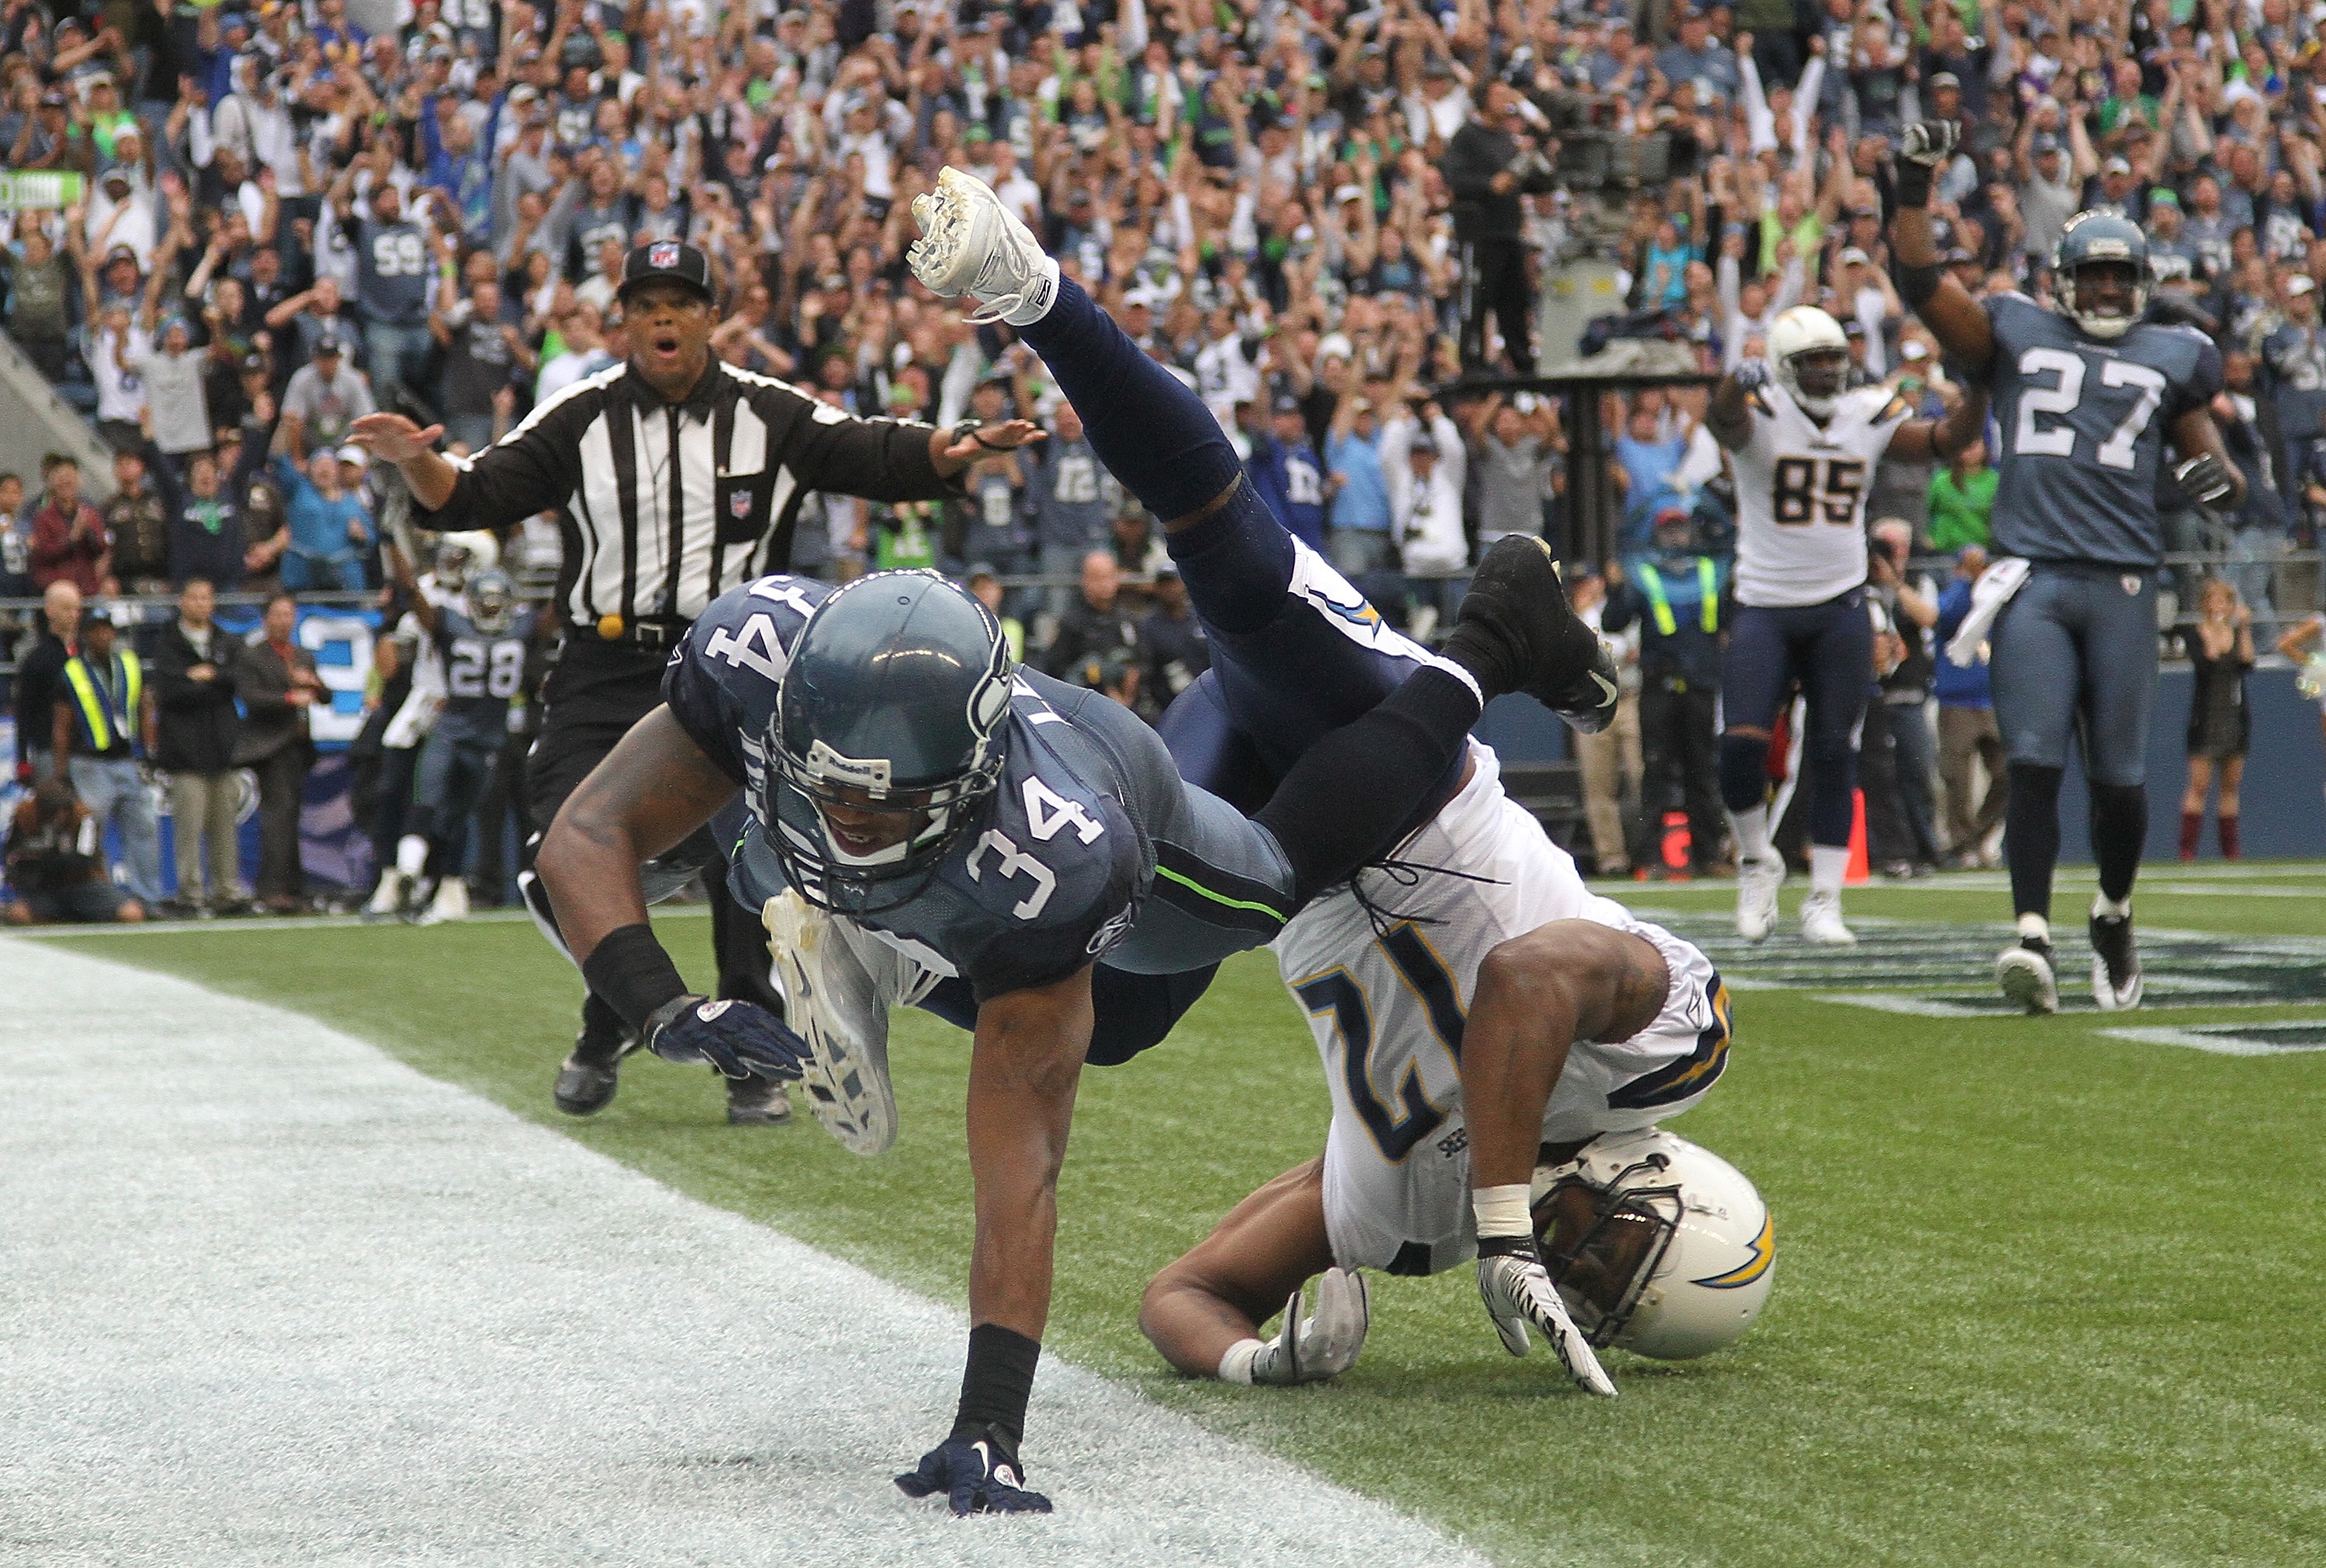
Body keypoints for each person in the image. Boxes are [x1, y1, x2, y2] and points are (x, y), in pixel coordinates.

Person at [533, 167, 1613, 1517]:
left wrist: (990, 1421)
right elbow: (580, 837)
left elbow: (1020, 1162)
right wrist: (661, 1006)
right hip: (972, 815)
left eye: (887, 799)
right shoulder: (760, 651)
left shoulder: (1055, 850)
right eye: (837, 786)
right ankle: (857, 936)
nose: (856, 809)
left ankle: (1483, 645)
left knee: (1168, 973)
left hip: (1140, 796)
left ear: (969, 774)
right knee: (742, 844)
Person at [350, 240, 1047, 1129]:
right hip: (605, 667)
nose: (664, 318)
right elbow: (475, 494)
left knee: (745, 859)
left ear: (713, 318)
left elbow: (870, 452)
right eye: (646, 305)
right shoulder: (581, 415)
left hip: (734, 664)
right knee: (567, 850)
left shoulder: (770, 410)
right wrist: (416, 461)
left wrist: (960, 451)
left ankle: (747, 1060)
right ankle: (613, 1019)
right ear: (624, 322)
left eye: (681, 302)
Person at [1138, 750, 1767, 1390]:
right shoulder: (1665, 1055)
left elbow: (1185, 1291)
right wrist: (1503, 1230)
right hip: (1404, 790)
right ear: (1665, 1173)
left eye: (1595, 1294)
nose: (1574, 1261)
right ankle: (1515, 652)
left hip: (1261, 854)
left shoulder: (1416, 1218)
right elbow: (1524, 975)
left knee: (1115, 1019)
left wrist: (1255, 1360)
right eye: (1616, 1250)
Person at [1893, 124, 2243, 1013]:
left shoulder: (2176, 353)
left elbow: (2221, 472)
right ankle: (2032, 935)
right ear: (2065, 279)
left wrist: (2218, 478)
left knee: (2120, 781)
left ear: (2143, 282)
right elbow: (1920, 282)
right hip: (2036, 576)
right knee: (2037, 758)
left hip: (2124, 580)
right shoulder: (2013, 324)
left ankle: (2114, 913)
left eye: (2122, 274)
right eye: (2094, 273)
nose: (2108, 287)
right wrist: (1910, 190)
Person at [1703, 305, 1986, 946]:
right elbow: (1722, 418)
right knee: (1741, 744)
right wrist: (1731, 381)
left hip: (1839, 606)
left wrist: (1982, 390)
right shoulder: (1761, 413)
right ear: (1782, 368)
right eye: (1814, 361)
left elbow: (1947, 442)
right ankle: (1756, 859)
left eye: (1834, 358)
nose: (1829, 372)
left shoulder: (1867, 411)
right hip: (1765, 603)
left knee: (1837, 752)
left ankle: (1825, 899)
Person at [382, 550, 548, 930]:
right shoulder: (520, 629)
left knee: (437, 810)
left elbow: (412, 593)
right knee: (446, 814)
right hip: (483, 740)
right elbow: (558, 609)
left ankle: (417, 877)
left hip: (458, 734)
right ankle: (416, 878)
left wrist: (395, 548)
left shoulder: (454, 624)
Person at [1603, 508, 1727, 880]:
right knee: (1655, 771)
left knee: (1702, 772)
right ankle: (1652, 857)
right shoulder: (1646, 576)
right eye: (1669, 530)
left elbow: (1729, 621)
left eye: (1681, 529)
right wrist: (1618, 586)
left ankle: (1710, 854)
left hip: (1701, 686)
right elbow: (1614, 621)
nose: (1676, 537)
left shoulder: (1709, 574)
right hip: (1660, 685)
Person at [152, 578, 247, 915]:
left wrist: (208, 677)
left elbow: (236, 679)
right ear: (182, 601)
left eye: (207, 597)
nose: (201, 604)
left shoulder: (226, 640)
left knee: (225, 829)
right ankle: (190, 893)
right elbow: (171, 692)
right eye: (194, 597)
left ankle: (226, 892)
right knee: (188, 830)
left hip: (222, 749)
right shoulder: (168, 643)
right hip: (185, 752)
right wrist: (212, 683)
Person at [232, 593, 323, 915]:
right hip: (270, 745)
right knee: (278, 817)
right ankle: (273, 889)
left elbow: (322, 696)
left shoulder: (302, 656)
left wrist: (314, 684)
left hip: (298, 745)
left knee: (291, 816)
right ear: (266, 619)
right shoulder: (253, 656)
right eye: (278, 615)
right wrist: (288, 696)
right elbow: (252, 698)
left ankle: (292, 887)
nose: (284, 621)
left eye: (289, 615)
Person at [1934, 547, 2008, 868]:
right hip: (1957, 701)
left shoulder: (1999, 601)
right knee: (1957, 779)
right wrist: (1967, 583)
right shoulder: (1955, 597)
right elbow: (1947, 617)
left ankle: (1975, 837)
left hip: (1994, 698)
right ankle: (1963, 845)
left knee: (2009, 773)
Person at [2178, 580, 2255, 862]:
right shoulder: (2197, 633)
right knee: (2198, 785)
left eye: (2225, 601)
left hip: (2234, 716)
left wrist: (2243, 627)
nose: (2220, 606)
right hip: (2206, 718)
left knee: (2230, 786)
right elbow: (2205, 662)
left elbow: (2247, 662)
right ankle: (2187, 851)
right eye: (2215, 601)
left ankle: (2230, 851)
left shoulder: (2237, 633)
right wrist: (2214, 632)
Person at [4, 779, 145, 925]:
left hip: (83, 884)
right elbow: (13, 852)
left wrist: (43, 857)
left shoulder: (84, 816)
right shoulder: (25, 814)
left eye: (62, 810)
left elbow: (84, 860)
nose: (58, 816)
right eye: (50, 811)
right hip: (45, 887)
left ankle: (83, 918)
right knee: (18, 915)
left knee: (131, 914)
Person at [12, 581, 83, 784]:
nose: (74, 615)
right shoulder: (37, 659)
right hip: (48, 749)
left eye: (77, 609)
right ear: (50, 611)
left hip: (86, 752)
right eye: (67, 609)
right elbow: (24, 710)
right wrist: (23, 759)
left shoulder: (86, 654)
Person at [1040, 550, 1139, 684]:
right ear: (1085, 580)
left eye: (1109, 577)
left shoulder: (1128, 620)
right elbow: (1055, 668)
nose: (1104, 584)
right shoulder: (1071, 623)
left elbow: (1143, 662)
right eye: (1097, 578)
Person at [29, 454, 107, 594]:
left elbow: (100, 547)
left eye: (70, 483)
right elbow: (45, 551)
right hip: (57, 586)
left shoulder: (90, 514)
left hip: (87, 586)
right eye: (61, 484)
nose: (66, 488)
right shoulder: (43, 518)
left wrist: (88, 531)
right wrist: (72, 537)